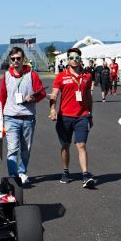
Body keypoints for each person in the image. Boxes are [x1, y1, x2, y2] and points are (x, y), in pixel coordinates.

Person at [0, 47, 46, 186]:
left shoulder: (32, 75)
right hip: (10, 117)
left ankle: (22, 172)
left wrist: (33, 99)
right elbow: (2, 97)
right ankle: (13, 177)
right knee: (12, 149)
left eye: (18, 58)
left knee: (26, 150)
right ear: (10, 60)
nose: (16, 61)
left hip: (28, 118)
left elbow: (42, 93)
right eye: (13, 59)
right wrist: (0, 117)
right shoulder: (6, 75)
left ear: (23, 59)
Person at [49, 47, 96, 187]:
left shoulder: (87, 76)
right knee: (65, 145)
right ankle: (65, 171)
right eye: (72, 58)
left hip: (82, 116)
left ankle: (86, 175)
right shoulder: (61, 76)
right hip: (65, 117)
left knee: (81, 144)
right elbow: (54, 95)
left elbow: (88, 96)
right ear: (67, 60)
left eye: (77, 58)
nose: (74, 60)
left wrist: (90, 114)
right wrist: (52, 109)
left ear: (80, 59)